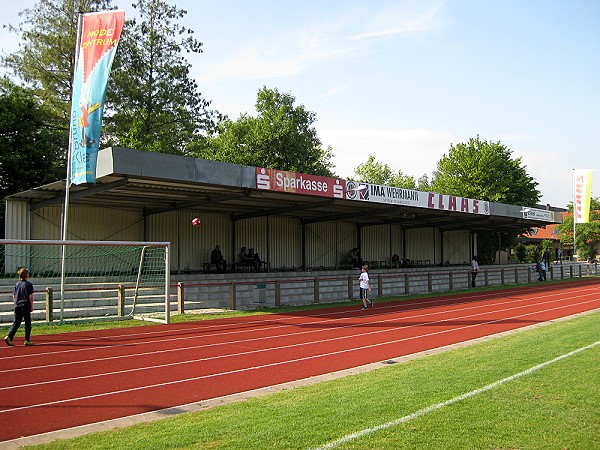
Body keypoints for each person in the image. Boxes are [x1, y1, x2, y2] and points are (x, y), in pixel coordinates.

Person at [4, 267, 35, 346]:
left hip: (17, 305)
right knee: (28, 322)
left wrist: (16, 303)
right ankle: (27, 339)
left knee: (17, 322)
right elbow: (30, 296)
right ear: (27, 275)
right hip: (25, 305)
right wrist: (31, 306)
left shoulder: (17, 284)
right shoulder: (28, 284)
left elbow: (14, 295)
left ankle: (9, 336)